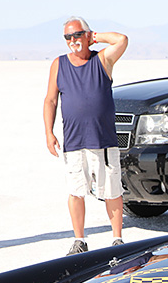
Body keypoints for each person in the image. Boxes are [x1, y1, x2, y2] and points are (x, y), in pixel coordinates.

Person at [43, 17, 128, 254]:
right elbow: (50, 100)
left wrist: (95, 37)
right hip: (74, 140)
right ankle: (79, 240)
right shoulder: (59, 64)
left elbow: (121, 40)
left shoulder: (101, 59)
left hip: (103, 139)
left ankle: (117, 239)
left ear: (87, 35)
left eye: (77, 35)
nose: (72, 41)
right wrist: (49, 132)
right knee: (76, 191)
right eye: (67, 37)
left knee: (112, 190)